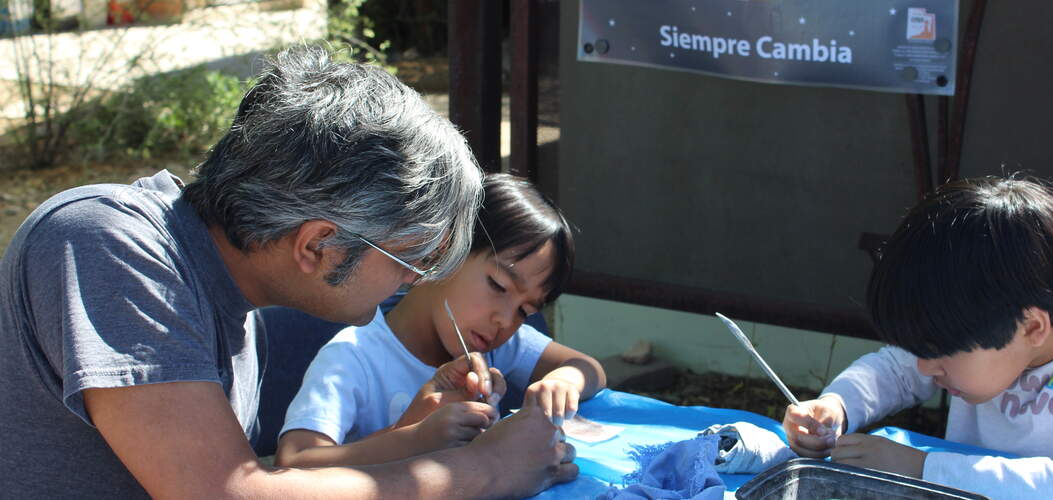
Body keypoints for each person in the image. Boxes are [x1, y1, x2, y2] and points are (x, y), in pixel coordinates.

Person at [0, 46, 576, 499]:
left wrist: (407, 438)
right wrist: (484, 468)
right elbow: (224, 493)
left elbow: (257, 476)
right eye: (410, 260)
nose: (416, 282)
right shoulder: (106, 245)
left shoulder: (230, 298)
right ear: (319, 245)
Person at [782, 176, 1053, 499]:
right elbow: (894, 369)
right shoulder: (987, 327)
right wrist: (836, 407)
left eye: (938, 352)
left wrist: (921, 469)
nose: (922, 366)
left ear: (1032, 327)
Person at [275, 172, 606, 467]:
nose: (505, 320)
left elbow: (587, 367)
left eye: (525, 311)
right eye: (498, 286)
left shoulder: (496, 349)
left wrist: (563, 382)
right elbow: (294, 462)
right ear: (444, 251)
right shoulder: (353, 358)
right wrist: (413, 438)